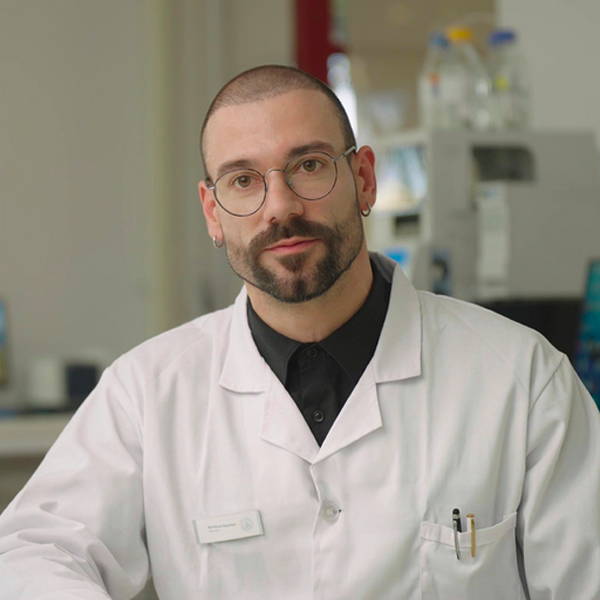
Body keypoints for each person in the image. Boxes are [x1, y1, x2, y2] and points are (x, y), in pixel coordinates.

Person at [0, 65, 599, 600]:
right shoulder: (147, 391)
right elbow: (34, 550)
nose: (279, 207)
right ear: (212, 212)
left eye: (309, 166)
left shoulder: (522, 379)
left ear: (364, 178)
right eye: (242, 180)